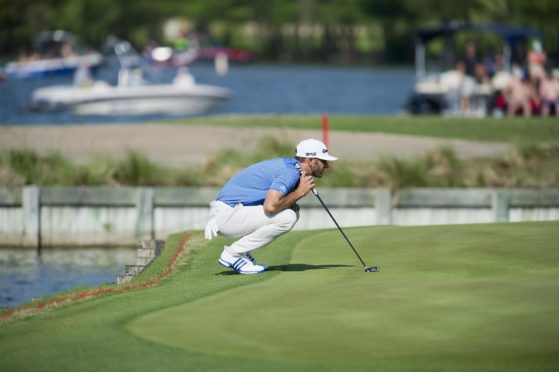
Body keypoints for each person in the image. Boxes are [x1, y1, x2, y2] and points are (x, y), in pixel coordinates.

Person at [204, 138, 338, 274]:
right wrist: (299, 193)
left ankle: (240, 253)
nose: (326, 166)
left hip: (228, 213)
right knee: (288, 217)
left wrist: (291, 200)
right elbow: (270, 207)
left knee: (289, 211)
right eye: (323, 161)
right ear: (310, 160)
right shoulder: (289, 172)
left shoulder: (290, 167)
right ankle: (233, 254)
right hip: (228, 216)